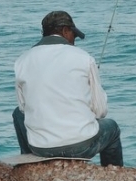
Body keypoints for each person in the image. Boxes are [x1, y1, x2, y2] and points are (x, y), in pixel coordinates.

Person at [12, 10, 123, 167]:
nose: (74, 41)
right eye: (73, 35)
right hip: (81, 147)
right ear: (65, 30)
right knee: (112, 128)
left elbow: (23, 109)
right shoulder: (84, 58)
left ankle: (29, 165)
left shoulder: (22, 61)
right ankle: (114, 175)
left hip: (40, 148)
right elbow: (101, 110)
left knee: (17, 113)